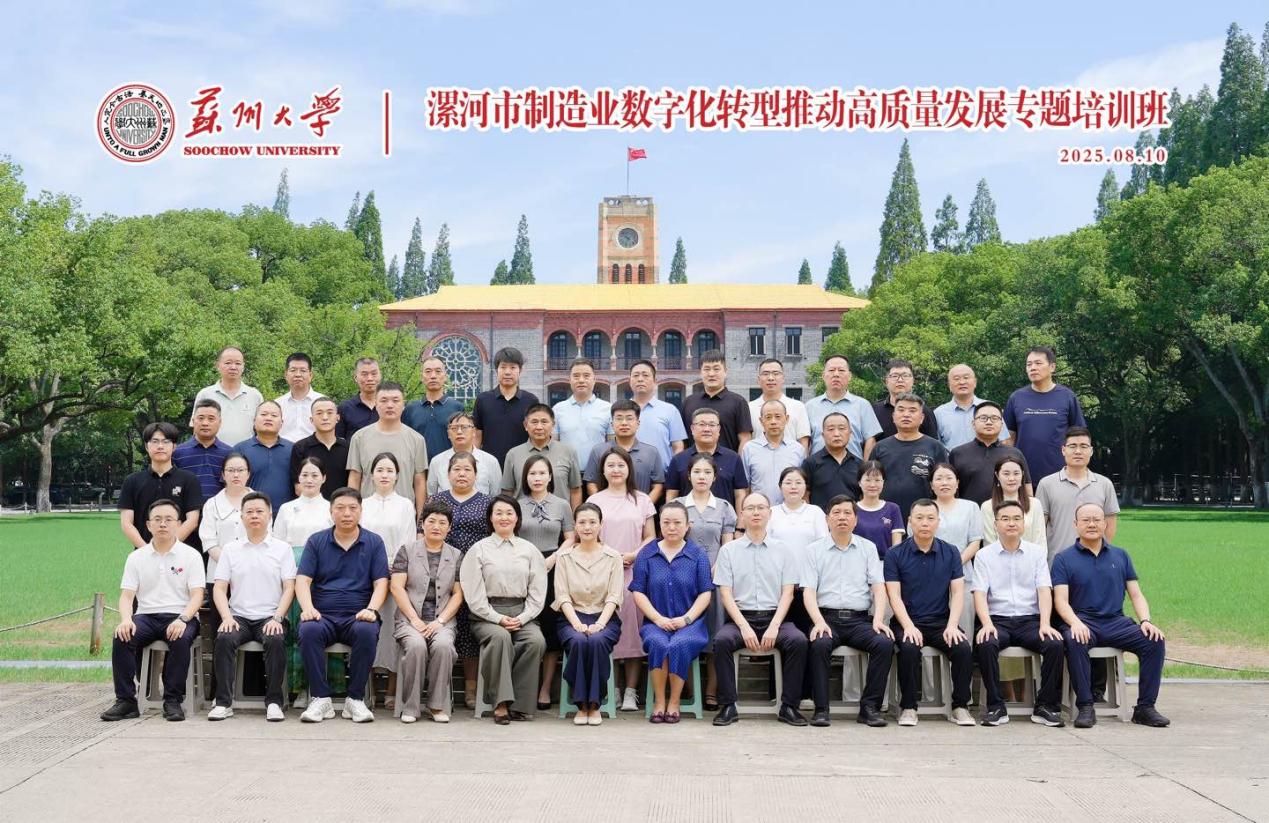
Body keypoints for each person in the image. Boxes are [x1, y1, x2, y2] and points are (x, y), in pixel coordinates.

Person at [1052, 503, 1169, 728]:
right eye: (1086, 520)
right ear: (1076, 525)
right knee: (1075, 640)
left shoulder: (1120, 555)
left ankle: (1145, 708)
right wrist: (1075, 623)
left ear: (1105, 524)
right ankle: (1086, 706)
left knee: (1153, 640)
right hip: (1083, 621)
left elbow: (1136, 594)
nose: (1092, 524)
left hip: (1116, 622)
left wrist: (1146, 621)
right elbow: (1060, 601)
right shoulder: (1063, 559)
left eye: (1096, 519)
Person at [101, 500, 206, 722]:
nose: (163, 524)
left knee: (180, 638)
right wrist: (126, 620)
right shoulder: (136, 557)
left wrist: (183, 619)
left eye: (168, 519)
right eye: (157, 520)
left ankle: (172, 700)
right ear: (148, 525)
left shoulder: (191, 555)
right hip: (146, 616)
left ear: (178, 524)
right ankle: (126, 701)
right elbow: (127, 596)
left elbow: (197, 595)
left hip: (180, 615)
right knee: (122, 636)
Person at [711, 492, 807, 727]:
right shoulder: (729, 551)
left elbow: (788, 593)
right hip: (740, 618)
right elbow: (725, 594)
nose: (756, 512)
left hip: (776, 618)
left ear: (769, 513)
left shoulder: (783, 550)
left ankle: (789, 706)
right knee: (721, 641)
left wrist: (774, 625)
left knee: (798, 641)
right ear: (742, 514)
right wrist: (744, 626)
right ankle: (728, 705)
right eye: (750, 508)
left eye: (761, 508)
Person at [295, 487, 390, 724]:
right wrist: (307, 608)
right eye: (340, 508)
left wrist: (372, 609)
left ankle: (355, 699)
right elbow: (303, 580)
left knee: (367, 631)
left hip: (358, 616)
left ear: (360, 511)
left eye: (352, 508)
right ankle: (321, 698)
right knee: (308, 629)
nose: (346, 513)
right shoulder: (317, 541)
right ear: (331, 512)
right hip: (323, 615)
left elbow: (381, 582)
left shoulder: (374, 542)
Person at [972, 500, 1065, 728]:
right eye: (1005, 519)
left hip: (1030, 621)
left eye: (1016, 519)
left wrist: (1045, 623)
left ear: (1024, 523)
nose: (1011, 523)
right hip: (997, 620)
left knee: (1054, 644)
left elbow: (1044, 590)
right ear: (996, 524)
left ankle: (1045, 706)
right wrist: (986, 624)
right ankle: (996, 707)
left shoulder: (1037, 553)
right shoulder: (984, 555)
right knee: (986, 643)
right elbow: (980, 594)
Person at [803, 496, 895, 727]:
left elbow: (878, 588)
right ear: (827, 519)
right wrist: (818, 622)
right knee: (819, 644)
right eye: (836, 513)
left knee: (884, 643)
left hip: (859, 621)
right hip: (827, 619)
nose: (842, 517)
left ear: (855, 519)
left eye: (847, 513)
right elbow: (808, 592)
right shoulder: (813, 550)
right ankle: (821, 709)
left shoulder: (868, 548)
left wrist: (879, 619)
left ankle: (869, 708)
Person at [884, 499, 975, 727]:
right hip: (907, 621)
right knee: (908, 647)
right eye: (919, 518)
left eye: (930, 518)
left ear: (938, 522)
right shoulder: (895, 554)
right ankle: (908, 707)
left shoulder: (951, 552)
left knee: (963, 648)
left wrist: (952, 625)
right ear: (909, 521)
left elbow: (957, 592)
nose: (925, 523)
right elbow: (894, 596)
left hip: (941, 622)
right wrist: (908, 626)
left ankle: (960, 706)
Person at [208, 491, 296, 722]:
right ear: (242, 517)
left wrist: (278, 618)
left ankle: (274, 702)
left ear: (270, 515)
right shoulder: (231, 549)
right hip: (239, 617)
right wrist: (227, 617)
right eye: (249, 512)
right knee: (224, 638)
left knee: (275, 639)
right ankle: (223, 702)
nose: (254, 516)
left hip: (271, 616)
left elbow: (289, 587)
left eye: (259, 511)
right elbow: (219, 588)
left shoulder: (282, 549)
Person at [461, 495, 548, 724]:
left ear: (517, 518)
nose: (504, 517)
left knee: (535, 641)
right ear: (490, 518)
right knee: (500, 638)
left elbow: (538, 593)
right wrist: (497, 618)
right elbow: (474, 595)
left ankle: (519, 704)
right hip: (486, 615)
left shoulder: (530, 550)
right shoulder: (479, 549)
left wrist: (523, 617)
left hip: (522, 612)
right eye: (498, 513)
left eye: (509, 513)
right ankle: (500, 703)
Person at [587, 446, 657, 711]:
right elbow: (589, 534)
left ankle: (631, 691)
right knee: (607, 629)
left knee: (632, 632)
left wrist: (633, 555)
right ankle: (612, 689)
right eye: (610, 465)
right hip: (602, 572)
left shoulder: (642, 500)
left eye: (621, 465)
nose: (616, 470)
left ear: (629, 469)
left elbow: (651, 537)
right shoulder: (596, 501)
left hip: (634, 574)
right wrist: (612, 556)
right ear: (602, 470)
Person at [630, 502, 714, 723]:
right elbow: (638, 592)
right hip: (655, 622)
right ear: (659, 524)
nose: (672, 527)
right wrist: (657, 619)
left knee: (679, 644)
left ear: (688, 525)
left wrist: (686, 619)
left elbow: (705, 593)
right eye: (666, 522)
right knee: (658, 643)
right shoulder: (647, 554)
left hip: (690, 624)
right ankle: (659, 702)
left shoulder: (697, 555)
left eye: (677, 522)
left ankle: (674, 702)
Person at [390, 500, 463, 723]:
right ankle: (410, 707)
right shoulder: (407, 551)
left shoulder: (456, 555)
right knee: (416, 646)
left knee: (443, 646)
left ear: (449, 528)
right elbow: (396, 587)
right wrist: (414, 619)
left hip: (442, 620)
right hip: (409, 619)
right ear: (422, 524)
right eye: (431, 521)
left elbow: (458, 594)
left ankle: (436, 706)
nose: (436, 526)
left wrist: (440, 621)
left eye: (442, 522)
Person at [430, 452, 494, 706]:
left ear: (476, 475)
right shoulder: (437, 500)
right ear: (448, 474)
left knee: (468, 628)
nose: (462, 474)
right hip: (440, 570)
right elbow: (424, 533)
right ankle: (439, 686)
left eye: (467, 469)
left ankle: (471, 686)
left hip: (476, 571)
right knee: (442, 624)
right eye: (456, 469)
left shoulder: (486, 503)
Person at [553, 502, 624, 725]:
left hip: (605, 617)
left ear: (601, 525)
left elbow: (614, 596)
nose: (587, 527)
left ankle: (594, 704)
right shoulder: (564, 557)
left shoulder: (613, 557)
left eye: (593, 522)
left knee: (596, 641)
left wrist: (600, 624)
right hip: (571, 617)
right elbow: (562, 596)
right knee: (577, 641)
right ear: (575, 526)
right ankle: (581, 705)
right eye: (582, 522)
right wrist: (576, 623)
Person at [514, 455, 576, 710]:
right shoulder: (517, 504)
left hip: (553, 566)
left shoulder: (562, 505)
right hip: (522, 567)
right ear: (525, 478)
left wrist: (553, 559)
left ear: (550, 477)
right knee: (525, 624)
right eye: (532, 474)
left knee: (550, 628)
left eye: (542, 473)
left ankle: (545, 688)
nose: (537, 478)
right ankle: (522, 686)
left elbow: (571, 538)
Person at [680, 453, 739, 709]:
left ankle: (711, 692)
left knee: (715, 636)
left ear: (715, 477)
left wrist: (717, 567)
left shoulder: (724, 507)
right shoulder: (678, 505)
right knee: (685, 633)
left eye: (707, 472)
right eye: (697, 472)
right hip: (683, 579)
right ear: (689, 475)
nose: (701, 476)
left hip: (716, 580)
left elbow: (728, 545)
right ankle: (690, 689)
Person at [359, 452, 419, 686]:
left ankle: (393, 688)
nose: (384, 475)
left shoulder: (405, 505)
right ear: (371, 475)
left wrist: (394, 569)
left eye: (389, 471)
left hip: (396, 575)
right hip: (366, 575)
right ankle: (370, 689)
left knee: (393, 629)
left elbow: (408, 541)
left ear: (397, 475)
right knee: (369, 627)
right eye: (380, 470)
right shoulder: (363, 504)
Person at [1035, 427, 1120, 562]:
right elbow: (1039, 528)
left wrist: (1101, 554)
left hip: (1095, 562)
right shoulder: (1046, 484)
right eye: (1072, 446)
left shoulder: (1104, 484)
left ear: (1091, 451)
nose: (1078, 451)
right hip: (1057, 562)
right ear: (1063, 450)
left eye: (1084, 446)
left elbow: (1110, 526)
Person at [1004, 346, 1087, 485]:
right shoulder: (1016, 398)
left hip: (1061, 477)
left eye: (1038, 363)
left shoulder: (1067, 397)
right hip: (1023, 477)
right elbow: (1008, 438)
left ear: (1052, 367)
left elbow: (1079, 437)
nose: (1033, 368)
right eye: (1029, 364)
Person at [346, 382, 429, 519]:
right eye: (383, 400)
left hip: (404, 514)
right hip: (368, 513)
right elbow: (355, 477)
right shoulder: (360, 437)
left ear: (403, 405)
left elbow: (419, 481)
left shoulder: (417, 439)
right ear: (376, 403)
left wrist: (420, 520)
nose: (390, 405)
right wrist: (353, 512)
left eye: (395, 400)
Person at [119, 422, 203, 548]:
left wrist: (168, 547)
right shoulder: (132, 481)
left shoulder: (189, 480)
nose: (160, 446)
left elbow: (192, 520)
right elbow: (126, 523)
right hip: (143, 552)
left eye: (166, 442)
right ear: (146, 446)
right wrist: (147, 551)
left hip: (181, 552)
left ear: (174, 446)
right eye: (155, 441)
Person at [870, 393, 949, 521]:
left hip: (924, 517)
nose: (906, 414)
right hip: (886, 516)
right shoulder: (880, 447)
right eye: (901, 410)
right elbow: (870, 482)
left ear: (922, 418)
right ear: (893, 416)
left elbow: (945, 484)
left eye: (912, 411)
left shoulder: (935, 447)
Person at [948, 400, 1031, 504]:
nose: (989, 422)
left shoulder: (1014, 454)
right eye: (983, 418)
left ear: (1001, 424)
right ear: (973, 424)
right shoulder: (957, 453)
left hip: (1006, 512)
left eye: (994, 418)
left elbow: (1026, 488)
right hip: (969, 512)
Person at [665, 408, 749, 510]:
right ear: (692, 429)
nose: (707, 429)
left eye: (712, 425)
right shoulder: (678, 460)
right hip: (687, 518)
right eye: (702, 424)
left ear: (719, 429)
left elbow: (740, 494)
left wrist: (740, 519)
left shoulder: (733, 458)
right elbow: (671, 494)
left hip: (724, 518)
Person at [502, 403, 583, 508]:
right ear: (525, 425)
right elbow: (507, 491)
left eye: (544, 422)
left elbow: (575, 490)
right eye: (534, 422)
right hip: (523, 516)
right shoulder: (513, 454)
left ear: (553, 425)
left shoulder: (568, 452)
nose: (539, 427)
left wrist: (573, 516)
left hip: (559, 515)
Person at [583, 399, 666, 502]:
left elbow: (658, 486)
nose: (624, 423)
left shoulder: (651, 452)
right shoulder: (598, 451)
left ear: (638, 423)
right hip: (607, 509)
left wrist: (643, 506)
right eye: (619, 418)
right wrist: (604, 505)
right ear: (612, 424)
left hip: (640, 509)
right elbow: (591, 484)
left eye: (629, 418)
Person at [473, 347, 540, 465]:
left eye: (513, 367)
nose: (507, 372)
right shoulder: (483, 400)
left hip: (522, 465)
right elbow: (477, 435)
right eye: (503, 367)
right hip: (489, 465)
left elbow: (535, 435)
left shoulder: (531, 401)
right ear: (496, 370)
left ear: (520, 370)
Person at [807, 355, 882, 458]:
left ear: (849, 376)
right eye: (831, 370)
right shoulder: (810, 406)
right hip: (817, 466)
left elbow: (870, 440)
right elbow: (805, 442)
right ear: (823, 376)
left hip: (854, 466)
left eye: (841, 370)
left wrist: (865, 466)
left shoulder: (862, 405)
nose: (836, 374)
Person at [681, 349, 752, 452]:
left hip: (728, 461)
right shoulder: (688, 402)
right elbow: (682, 440)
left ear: (725, 372)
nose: (711, 374)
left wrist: (738, 461)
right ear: (700, 372)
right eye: (707, 369)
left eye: (716, 369)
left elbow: (745, 438)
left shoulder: (738, 402)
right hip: (694, 462)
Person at [192, 346, 263, 447]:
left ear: (243, 366)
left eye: (238, 363)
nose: (233, 367)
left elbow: (260, 429)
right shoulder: (205, 394)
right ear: (218, 365)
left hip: (245, 453)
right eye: (228, 363)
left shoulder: (255, 395)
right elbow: (196, 428)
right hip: (212, 451)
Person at [198, 452, 252, 581]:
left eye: (241, 470)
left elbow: (267, 536)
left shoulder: (260, 502)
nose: (236, 475)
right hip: (219, 574)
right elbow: (208, 541)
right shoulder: (212, 504)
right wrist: (231, 564)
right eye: (230, 470)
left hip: (252, 572)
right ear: (223, 474)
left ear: (248, 474)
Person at [234, 401, 294, 514]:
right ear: (254, 421)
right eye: (263, 414)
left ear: (282, 423)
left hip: (287, 515)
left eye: (274, 415)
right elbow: (231, 486)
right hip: (250, 515)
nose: (268, 418)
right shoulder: (240, 449)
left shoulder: (293, 449)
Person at [741, 399, 806, 503]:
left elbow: (803, 485)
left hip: (789, 509)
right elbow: (744, 487)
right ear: (761, 421)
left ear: (787, 419)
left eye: (778, 416)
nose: (773, 421)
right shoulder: (749, 449)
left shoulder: (798, 449)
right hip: (759, 510)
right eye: (768, 417)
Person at [402, 355, 466, 460]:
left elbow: (463, 442)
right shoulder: (410, 409)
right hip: (419, 467)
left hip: (449, 466)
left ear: (445, 376)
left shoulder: (457, 407)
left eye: (438, 371)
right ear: (421, 377)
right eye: (428, 371)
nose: (433, 376)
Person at [427, 411, 503, 497]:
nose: (459, 432)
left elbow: (496, 496)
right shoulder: (437, 462)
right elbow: (431, 495)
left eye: (464, 427)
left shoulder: (491, 461)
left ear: (474, 432)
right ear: (448, 434)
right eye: (454, 428)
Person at [553, 357, 613, 465]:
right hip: (567, 471)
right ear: (569, 380)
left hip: (598, 472)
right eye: (576, 376)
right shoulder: (558, 409)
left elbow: (612, 445)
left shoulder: (608, 409)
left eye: (586, 376)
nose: (581, 380)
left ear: (594, 380)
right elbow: (554, 445)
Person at [628, 359, 687, 467]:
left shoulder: (670, 410)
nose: (640, 379)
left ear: (655, 380)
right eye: (636, 375)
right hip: (626, 474)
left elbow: (678, 447)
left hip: (663, 474)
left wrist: (673, 472)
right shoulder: (621, 411)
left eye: (645, 375)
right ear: (630, 380)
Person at [934, 364, 1008, 450]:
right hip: (952, 459)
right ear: (949, 385)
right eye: (956, 379)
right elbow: (935, 446)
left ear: (975, 382)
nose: (962, 382)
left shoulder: (991, 408)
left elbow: (1004, 441)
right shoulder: (939, 413)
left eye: (966, 377)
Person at [289, 397, 349, 499]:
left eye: (330, 413)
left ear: (338, 417)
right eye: (319, 413)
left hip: (341, 505)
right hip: (310, 505)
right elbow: (298, 487)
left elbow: (353, 482)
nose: (325, 417)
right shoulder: (300, 448)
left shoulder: (348, 447)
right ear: (311, 420)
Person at [871, 359, 940, 445]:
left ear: (913, 381)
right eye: (895, 376)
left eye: (905, 376)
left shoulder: (924, 411)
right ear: (886, 381)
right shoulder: (874, 411)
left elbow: (932, 445)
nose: (900, 380)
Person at [802, 412, 863, 509]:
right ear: (823, 435)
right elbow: (804, 495)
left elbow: (863, 497)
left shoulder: (860, 465)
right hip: (820, 517)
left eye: (842, 428)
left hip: (851, 517)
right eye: (831, 429)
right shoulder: (810, 463)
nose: (836, 434)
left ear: (850, 433)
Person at [173, 398, 232, 500]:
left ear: (220, 422)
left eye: (211, 419)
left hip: (220, 508)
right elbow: (174, 486)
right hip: (187, 508)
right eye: (200, 418)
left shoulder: (229, 453)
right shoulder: (178, 452)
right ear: (193, 421)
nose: (205, 423)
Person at [980, 456, 1046, 546]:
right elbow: (989, 543)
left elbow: (1040, 541)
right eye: (1006, 474)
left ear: (1022, 475)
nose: (1011, 478)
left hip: (1031, 555)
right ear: (997, 475)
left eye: (1016, 473)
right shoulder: (987, 507)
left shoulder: (1035, 504)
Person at [747, 358, 811, 451]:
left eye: (776, 373)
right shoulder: (749, 408)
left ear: (783, 378)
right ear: (758, 379)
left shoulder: (798, 406)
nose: (771, 378)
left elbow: (803, 442)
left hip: (791, 459)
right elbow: (747, 441)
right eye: (765, 374)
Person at [272, 458, 333, 550]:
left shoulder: (331, 508)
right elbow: (278, 541)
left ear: (323, 478)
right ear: (299, 478)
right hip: (291, 558)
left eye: (314, 475)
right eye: (305, 475)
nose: (309, 480)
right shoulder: (286, 508)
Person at [768, 467, 829, 555]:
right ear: (780, 486)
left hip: (810, 563)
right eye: (788, 483)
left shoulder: (816, 512)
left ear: (806, 486)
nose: (793, 487)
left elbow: (823, 545)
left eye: (798, 483)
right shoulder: (771, 513)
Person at [853, 461, 904, 557]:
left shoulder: (893, 509)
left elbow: (896, 547)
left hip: (885, 562)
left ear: (883, 482)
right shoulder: (852, 509)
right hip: (858, 562)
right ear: (859, 482)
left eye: (877, 480)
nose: (872, 485)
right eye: (868, 480)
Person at [275, 352, 325, 443]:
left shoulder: (324, 403)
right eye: (293, 370)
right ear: (286, 375)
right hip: (285, 450)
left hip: (314, 450)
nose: (298, 374)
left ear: (310, 375)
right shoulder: (277, 404)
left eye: (303, 370)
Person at [336, 357, 380, 440]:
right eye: (364, 374)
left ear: (380, 376)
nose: (370, 378)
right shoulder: (345, 408)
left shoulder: (389, 406)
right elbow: (339, 441)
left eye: (374, 374)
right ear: (356, 378)